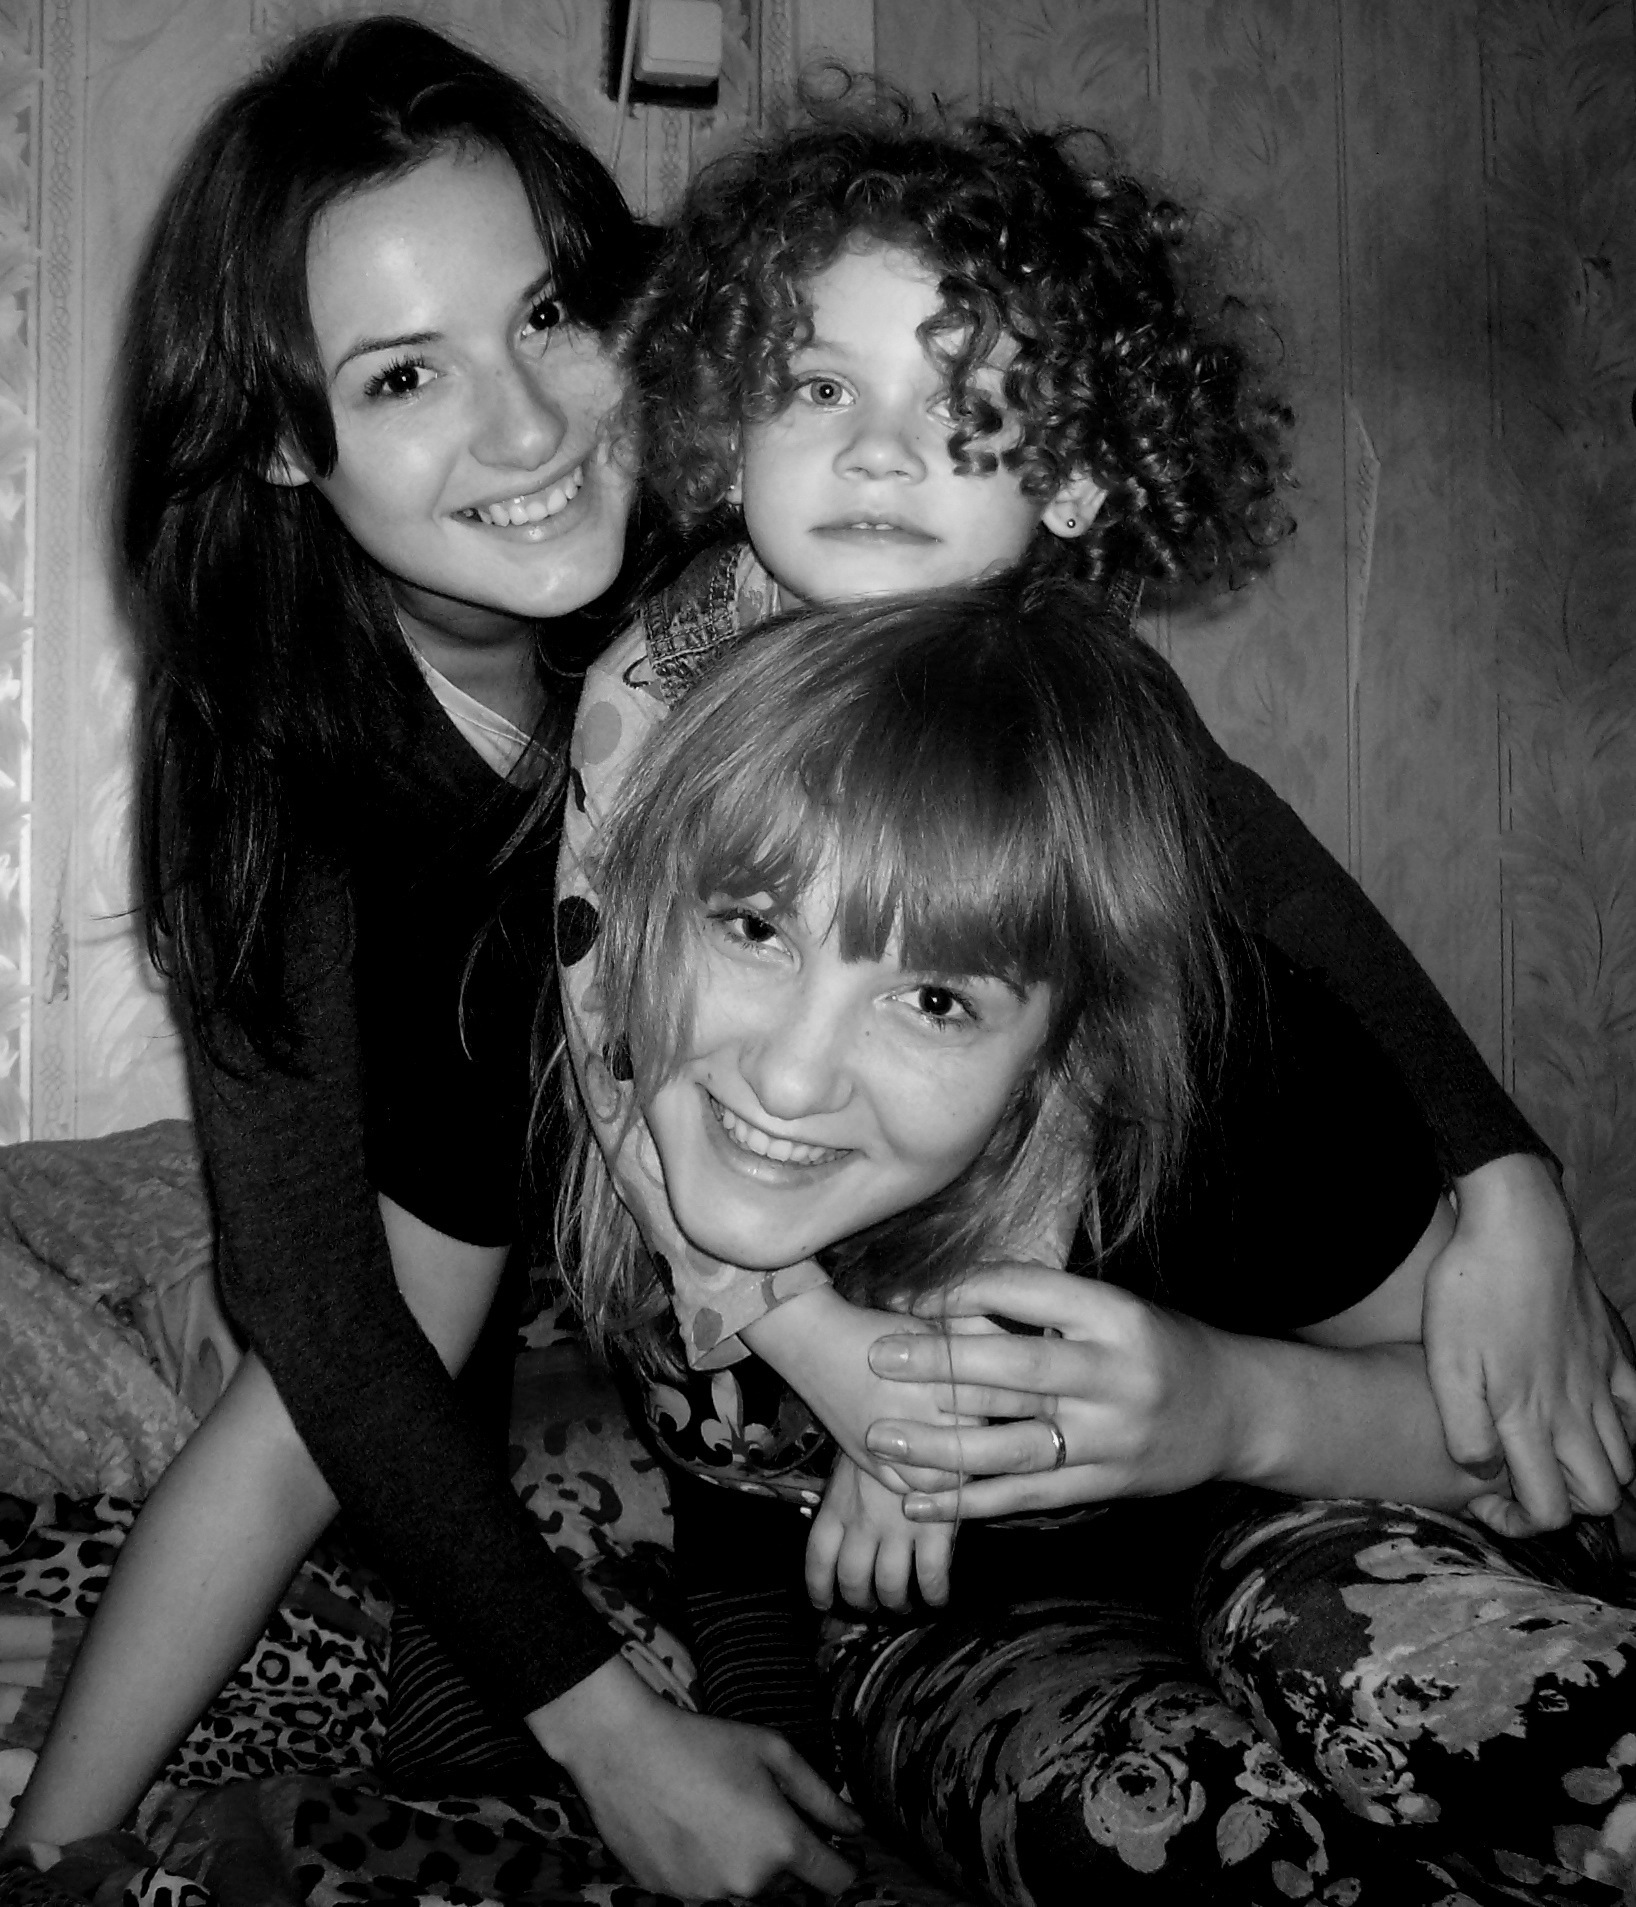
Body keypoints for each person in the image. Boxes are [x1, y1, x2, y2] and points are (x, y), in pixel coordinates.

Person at [0, 22, 858, 1902]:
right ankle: (469, 1633)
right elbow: (321, 1314)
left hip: (803, 1226)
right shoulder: (269, 733)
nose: (531, 430)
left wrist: (1493, 1172)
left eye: (550, 316)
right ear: (281, 436)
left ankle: (747, 1587)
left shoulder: (745, 556)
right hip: (469, 1224)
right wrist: (54, 1854)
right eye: (403, 375)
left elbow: (1140, 787)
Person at [556, 89, 1635, 1573]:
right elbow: (618, 1027)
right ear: (728, 432)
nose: (880, 453)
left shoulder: (1086, 720)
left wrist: (1508, 1183)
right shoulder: (655, 690)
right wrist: (815, 1347)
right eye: (817, 386)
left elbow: (1295, 903)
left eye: (968, 411)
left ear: (1071, 477)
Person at [561, 576, 1636, 1904]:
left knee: (1438, 1693)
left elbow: (1540, 1442)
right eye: (753, 927)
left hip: (1312, 1508)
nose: (788, 1077)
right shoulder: (586, 1088)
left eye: (936, 1000)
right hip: (958, 1634)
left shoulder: (1229, 1091)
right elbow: (422, 1396)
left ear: (1066, 1031)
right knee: (1129, 1826)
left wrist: (1227, 1407)